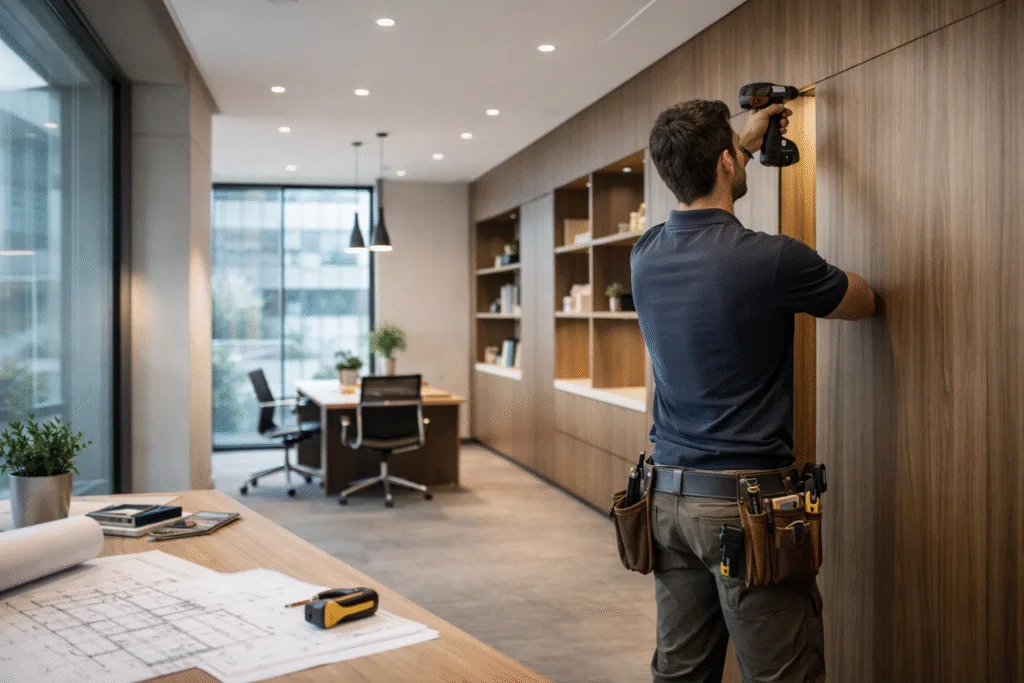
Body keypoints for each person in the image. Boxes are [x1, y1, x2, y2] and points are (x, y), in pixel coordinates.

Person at [631, 99, 876, 683]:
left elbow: (706, 181)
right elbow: (860, 302)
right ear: (723, 163)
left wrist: (741, 143)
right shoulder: (771, 260)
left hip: (667, 500)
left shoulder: (646, 254)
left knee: (681, 673)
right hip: (746, 509)